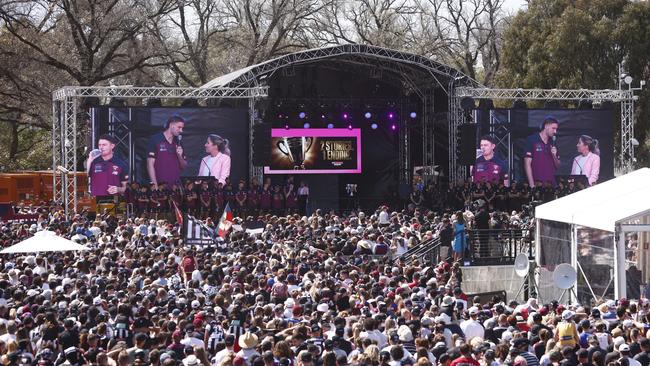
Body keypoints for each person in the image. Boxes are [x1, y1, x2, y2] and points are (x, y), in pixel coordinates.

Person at [147, 114, 187, 188]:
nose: (181, 130)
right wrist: (154, 185)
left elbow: (184, 167)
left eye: (182, 128)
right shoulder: (155, 139)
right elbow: (150, 164)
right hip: (160, 185)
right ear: (172, 125)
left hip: (175, 187)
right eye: (179, 127)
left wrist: (179, 156)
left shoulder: (179, 142)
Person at [524, 116, 560, 187]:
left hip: (551, 184)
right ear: (546, 126)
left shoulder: (553, 142)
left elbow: (558, 166)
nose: (555, 131)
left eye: (556, 129)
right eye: (553, 128)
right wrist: (532, 185)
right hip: (537, 183)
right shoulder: (532, 139)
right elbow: (527, 163)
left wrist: (554, 155)